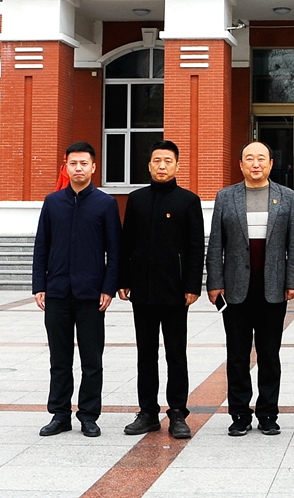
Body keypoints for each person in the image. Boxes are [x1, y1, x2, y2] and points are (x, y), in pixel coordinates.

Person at [206, 141, 294, 437]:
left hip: (272, 288)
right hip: (235, 289)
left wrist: (293, 282)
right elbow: (216, 244)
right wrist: (214, 282)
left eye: (261, 158)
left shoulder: (287, 197)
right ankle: (239, 414)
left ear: (271, 163)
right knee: (237, 355)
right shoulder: (226, 196)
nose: (255, 164)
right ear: (241, 164)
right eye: (249, 158)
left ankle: (268, 413)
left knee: (269, 354)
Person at [32, 141, 121, 438]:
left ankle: (89, 415)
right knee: (59, 359)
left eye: (84, 163)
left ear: (94, 167)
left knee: (92, 360)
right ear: (66, 167)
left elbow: (115, 251)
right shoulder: (52, 202)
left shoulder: (105, 204)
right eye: (73, 163)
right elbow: (41, 246)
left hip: (91, 294)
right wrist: (39, 285)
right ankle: (60, 414)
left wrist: (109, 287)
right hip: (57, 292)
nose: (78, 168)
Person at [117, 140, 204, 440]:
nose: (162, 165)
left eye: (168, 160)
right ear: (149, 165)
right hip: (142, 291)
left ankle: (177, 413)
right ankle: (148, 412)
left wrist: (192, 285)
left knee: (176, 354)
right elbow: (126, 243)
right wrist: (123, 279)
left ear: (177, 165)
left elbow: (196, 248)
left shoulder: (188, 201)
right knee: (146, 354)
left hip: (176, 292)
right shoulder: (136, 200)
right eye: (157, 160)